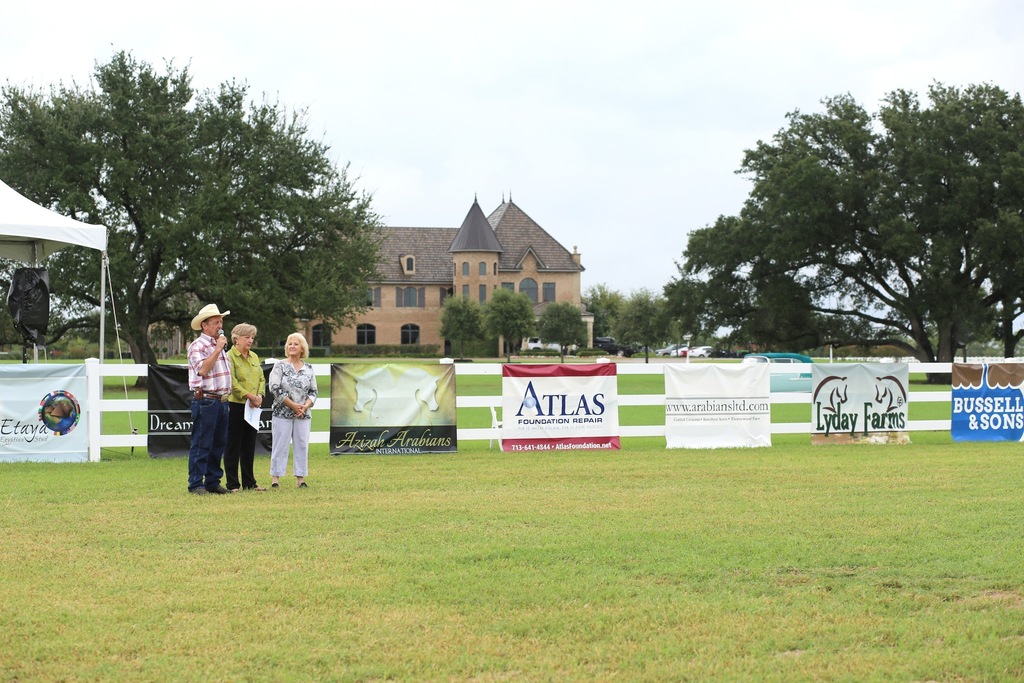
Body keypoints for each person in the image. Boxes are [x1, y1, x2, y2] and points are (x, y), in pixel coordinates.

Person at [186, 303, 232, 495]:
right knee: (202, 443)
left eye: (220, 322)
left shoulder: (218, 345)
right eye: (215, 322)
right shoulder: (198, 346)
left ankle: (213, 481)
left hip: (221, 401)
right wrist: (218, 349)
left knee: (218, 444)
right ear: (204, 326)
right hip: (205, 400)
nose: (219, 326)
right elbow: (203, 370)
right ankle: (196, 483)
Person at [268, 332, 317, 489]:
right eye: (289, 344)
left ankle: (300, 479)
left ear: (302, 348)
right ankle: (275, 479)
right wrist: (293, 405)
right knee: (280, 445)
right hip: (282, 413)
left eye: (296, 344)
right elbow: (274, 388)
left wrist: (305, 406)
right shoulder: (280, 366)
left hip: (303, 414)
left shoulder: (308, 368)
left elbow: (313, 391)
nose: (292, 346)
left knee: (302, 444)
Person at [224, 322, 266, 492]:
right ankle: (233, 484)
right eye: (247, 337)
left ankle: (249, 482)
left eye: (252, 337)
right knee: (233, 444)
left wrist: (260, 396)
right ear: (236, 339)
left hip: (253, 407)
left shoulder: (254, 356)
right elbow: (231, 382)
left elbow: (261, 378)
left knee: (249, 445)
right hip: (236, 405)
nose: (250, 340)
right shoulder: (229, 356)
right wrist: (250, 396)